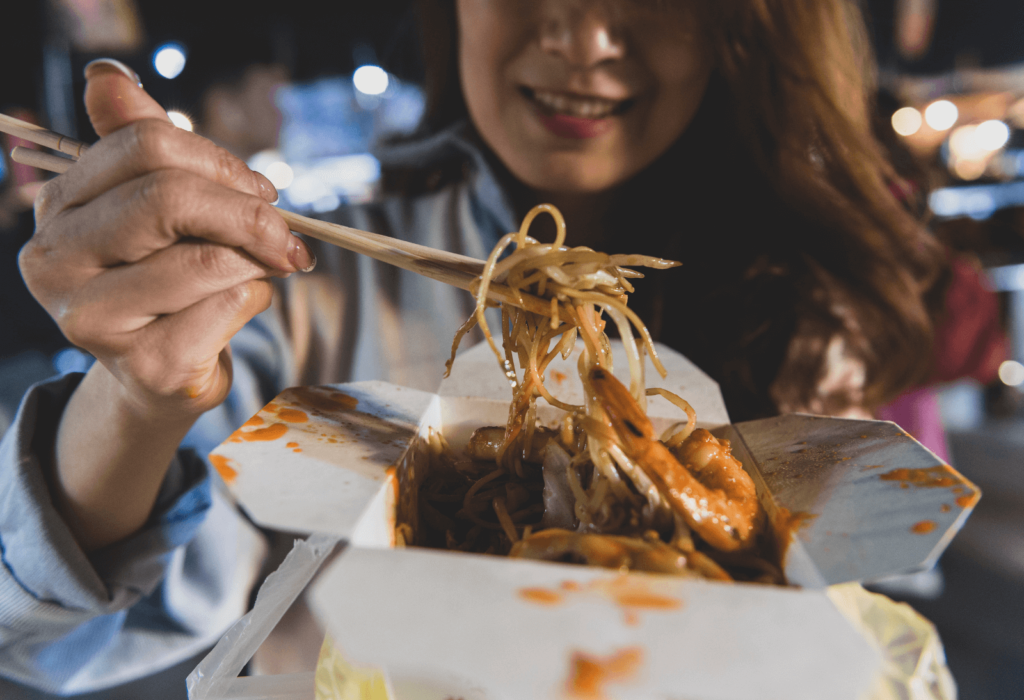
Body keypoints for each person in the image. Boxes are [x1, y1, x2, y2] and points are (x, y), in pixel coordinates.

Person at [1, 0, 946, 696]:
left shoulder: (802, 311)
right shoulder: (298, 290)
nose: (582, 36)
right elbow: (50, 644)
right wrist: (135, 398)